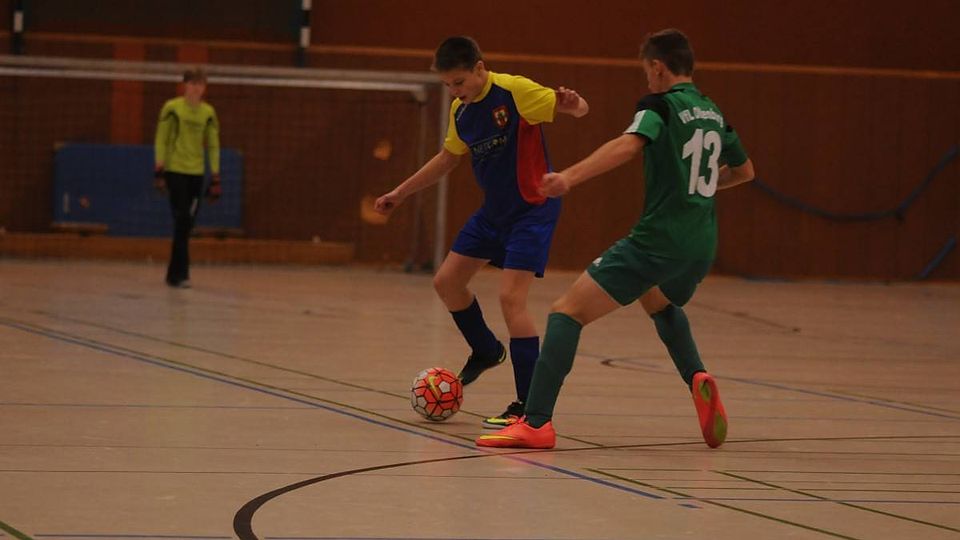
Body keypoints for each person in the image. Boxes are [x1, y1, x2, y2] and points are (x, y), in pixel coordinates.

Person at [477, 29, 755, 449]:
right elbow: (745, 171)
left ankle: (535, 423)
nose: (647, 79)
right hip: (701, 245)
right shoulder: (713, 112)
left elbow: (627, 146)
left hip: (658, 240)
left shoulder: (658, 105)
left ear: (658, 68)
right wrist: (697, 188)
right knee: (655, 299)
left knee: (566, 313)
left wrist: (568, 177)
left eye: (646, 72)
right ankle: (696, 374)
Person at [375, 36, 589, 427]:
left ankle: (529, 407)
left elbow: (577, 109)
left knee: (511, 300)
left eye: (459, 82)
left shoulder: (514, 91)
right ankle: (487, 350)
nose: (454, 91)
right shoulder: (461, 110)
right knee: (447, 282)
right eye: (447, 85)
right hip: (494, 214)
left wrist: (574, 104)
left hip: (532, 211)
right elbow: (447, 159)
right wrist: (400, 193)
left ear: (479, 68)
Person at [153, 67, 222, 288]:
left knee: (185, 225)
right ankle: (181, 275)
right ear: (184, 85)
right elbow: (161, 139)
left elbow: (214, 145)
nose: (196, 88)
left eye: (200, 84)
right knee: (183, 220)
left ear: (204, 88)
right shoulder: (172, 108)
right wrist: (159, 168)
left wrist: (215, 175)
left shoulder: (208, 113)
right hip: (175, 171)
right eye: (192, 83)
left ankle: (173, 274)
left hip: (196, 173)